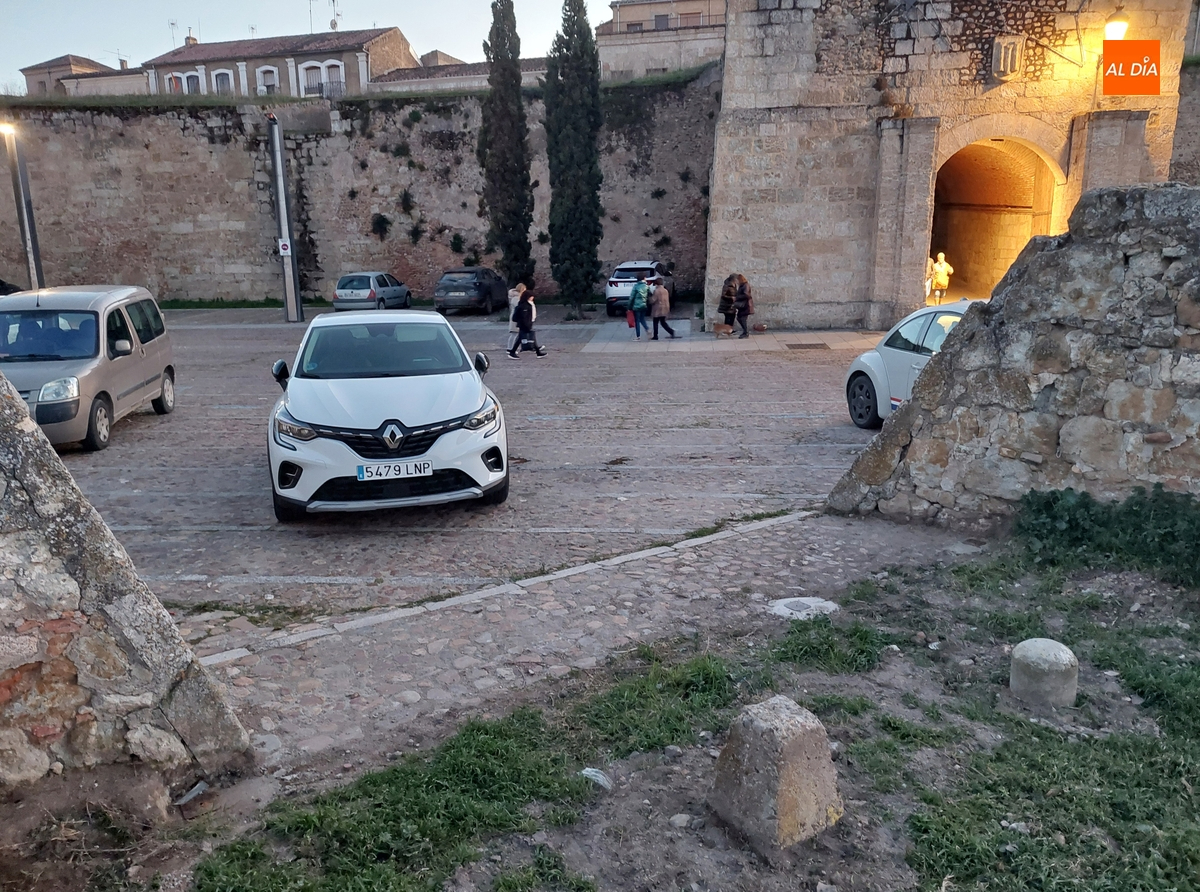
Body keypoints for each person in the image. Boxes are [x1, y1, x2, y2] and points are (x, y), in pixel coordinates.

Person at [508, 291, 547, 358]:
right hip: (525, 325)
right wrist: (527, 325)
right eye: (531, 296)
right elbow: (524, 317)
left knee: (521, 338)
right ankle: (537, 352)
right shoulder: (525, 306)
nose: (533, 298)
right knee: (531, 337)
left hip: (525, 324)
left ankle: (513, 352)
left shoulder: (523, 304)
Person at [628, 272, 651, 340]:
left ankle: (638, 336)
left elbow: (632, 297)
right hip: (644, 305)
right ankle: (647, 329)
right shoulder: (647, 286)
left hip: (636, 306)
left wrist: (629, 307)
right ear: (644, 278)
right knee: (642, 319)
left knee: (637, 321)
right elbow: (649, 295)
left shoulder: (636, 286)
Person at [506, 282, 526, 354]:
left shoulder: (518, 297)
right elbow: (519, 307)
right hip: (516, 318)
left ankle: (520, 347)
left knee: (519, 334)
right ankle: (510, 348)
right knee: (514, 334)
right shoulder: (516, 298)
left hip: (518, 318)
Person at [733, 274, 754, 339]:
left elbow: (746, 295)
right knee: (739, 318)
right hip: (742, 305)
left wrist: (737, 298)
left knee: (742, 318)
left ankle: (746, 333)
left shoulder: (745, 285)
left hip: (746, 305)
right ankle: (745, 332)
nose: (736, 281)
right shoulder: (742, 285)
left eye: (737, 280)